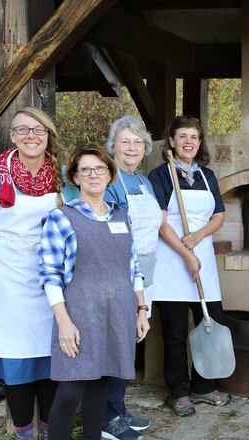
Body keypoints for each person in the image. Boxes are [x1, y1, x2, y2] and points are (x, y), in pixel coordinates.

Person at [0, 107, 75, 440]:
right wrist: (3, 250)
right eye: (23, 130)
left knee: (50, 349)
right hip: (10, 275)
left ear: (48, 137)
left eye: (38, 131)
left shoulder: (62, 176)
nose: (31, 136)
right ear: (12, 136)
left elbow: (76, 215)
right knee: (17, 355)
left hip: (51, 273)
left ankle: (50, 428)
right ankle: (25, 432)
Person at [39, 147, 150, 440]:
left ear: (109, 175)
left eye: (100, 169)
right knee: (70, 390)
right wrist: (64, 322)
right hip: (80, 314)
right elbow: (50, 276)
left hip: (119, 313)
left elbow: (133, 267)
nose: (93, 175)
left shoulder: (121, 216)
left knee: (101, 383)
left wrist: (142, 310)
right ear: (75, 177)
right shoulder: (61, 217)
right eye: (85, 170)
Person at [147, 115, 231, 417]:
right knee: (175, 332)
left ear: (199, 142)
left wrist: (198, 236)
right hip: (172, 259)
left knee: (211, 323)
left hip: (203, 257)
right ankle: (179, 391)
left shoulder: (207, 176)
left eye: (193, 137)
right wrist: (185, 253)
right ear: (171, 141)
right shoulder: (160, 175)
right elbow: (160, 221)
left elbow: (219, 216)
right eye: (182, 136)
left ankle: (204, 385)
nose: (188, 142)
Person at [102, 116, 161, 439]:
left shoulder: (142, 180)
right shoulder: (110, 180)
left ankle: (119, 410)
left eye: (138, 142)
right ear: (113, 146)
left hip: (145, 272)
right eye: (125, 141)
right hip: (119, 272)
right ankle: (108, 418)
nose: (132, 147)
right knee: (116, 346)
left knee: (128, 344)